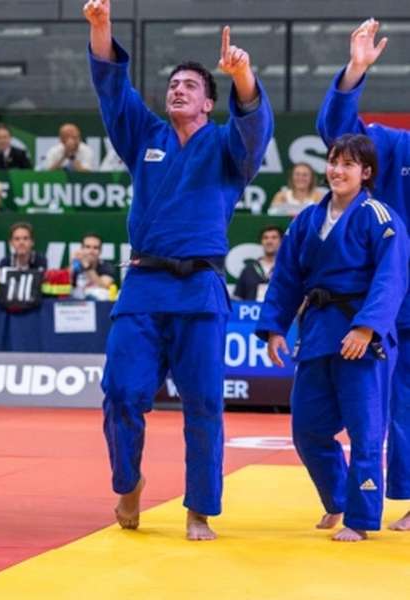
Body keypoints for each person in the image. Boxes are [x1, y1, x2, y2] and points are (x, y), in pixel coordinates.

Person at [84, 0, 273, 540]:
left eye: (191, 84)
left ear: (210, 102)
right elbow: (113, 92)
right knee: (121, 391)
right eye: (173, 83)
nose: (179, 89)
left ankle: (199, 508)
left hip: (199, 288)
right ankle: (128, 482)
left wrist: (243, 77)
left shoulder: (227, 147)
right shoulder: (146, 137)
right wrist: (102, 29)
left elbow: (254, 127)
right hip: (143, 284)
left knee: (205, 403)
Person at [257, 134, 408, 541]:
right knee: (307, 429)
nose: (337, 171)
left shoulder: (380, 217)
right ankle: (338, 498)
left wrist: (366, 326)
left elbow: (391, 278)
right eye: (333, 162)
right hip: (320, 330)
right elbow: (286, 276)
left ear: (367, 173)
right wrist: (275, 326)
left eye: (348, 164)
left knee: (366, 432)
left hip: (364, 337)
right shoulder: (307, 219)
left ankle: (360, 518)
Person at [316, 18, 410, 532]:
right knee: (378, 410)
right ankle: (348, 495)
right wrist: (354, 72)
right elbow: (339, 133)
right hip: (387, 302)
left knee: (402, 409)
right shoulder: (393, 148)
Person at [233, 225, 283, 301]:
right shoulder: (248, 270)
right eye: (265, 238)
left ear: (281, 241)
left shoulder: (286, 269)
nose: (269, 241)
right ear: (261, 242)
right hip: (251, 311)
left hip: (279, 312)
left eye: (274, 237)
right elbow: (238, 298)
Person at [69, 232, 117, 300]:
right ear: (82, 249)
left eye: (95, 248)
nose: (91, 251)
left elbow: (104, 286)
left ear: (100, 251)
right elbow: (66, 286)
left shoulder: (107, 266)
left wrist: (87, 267)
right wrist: (71, 264)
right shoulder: (76, 264)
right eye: (87, 247)